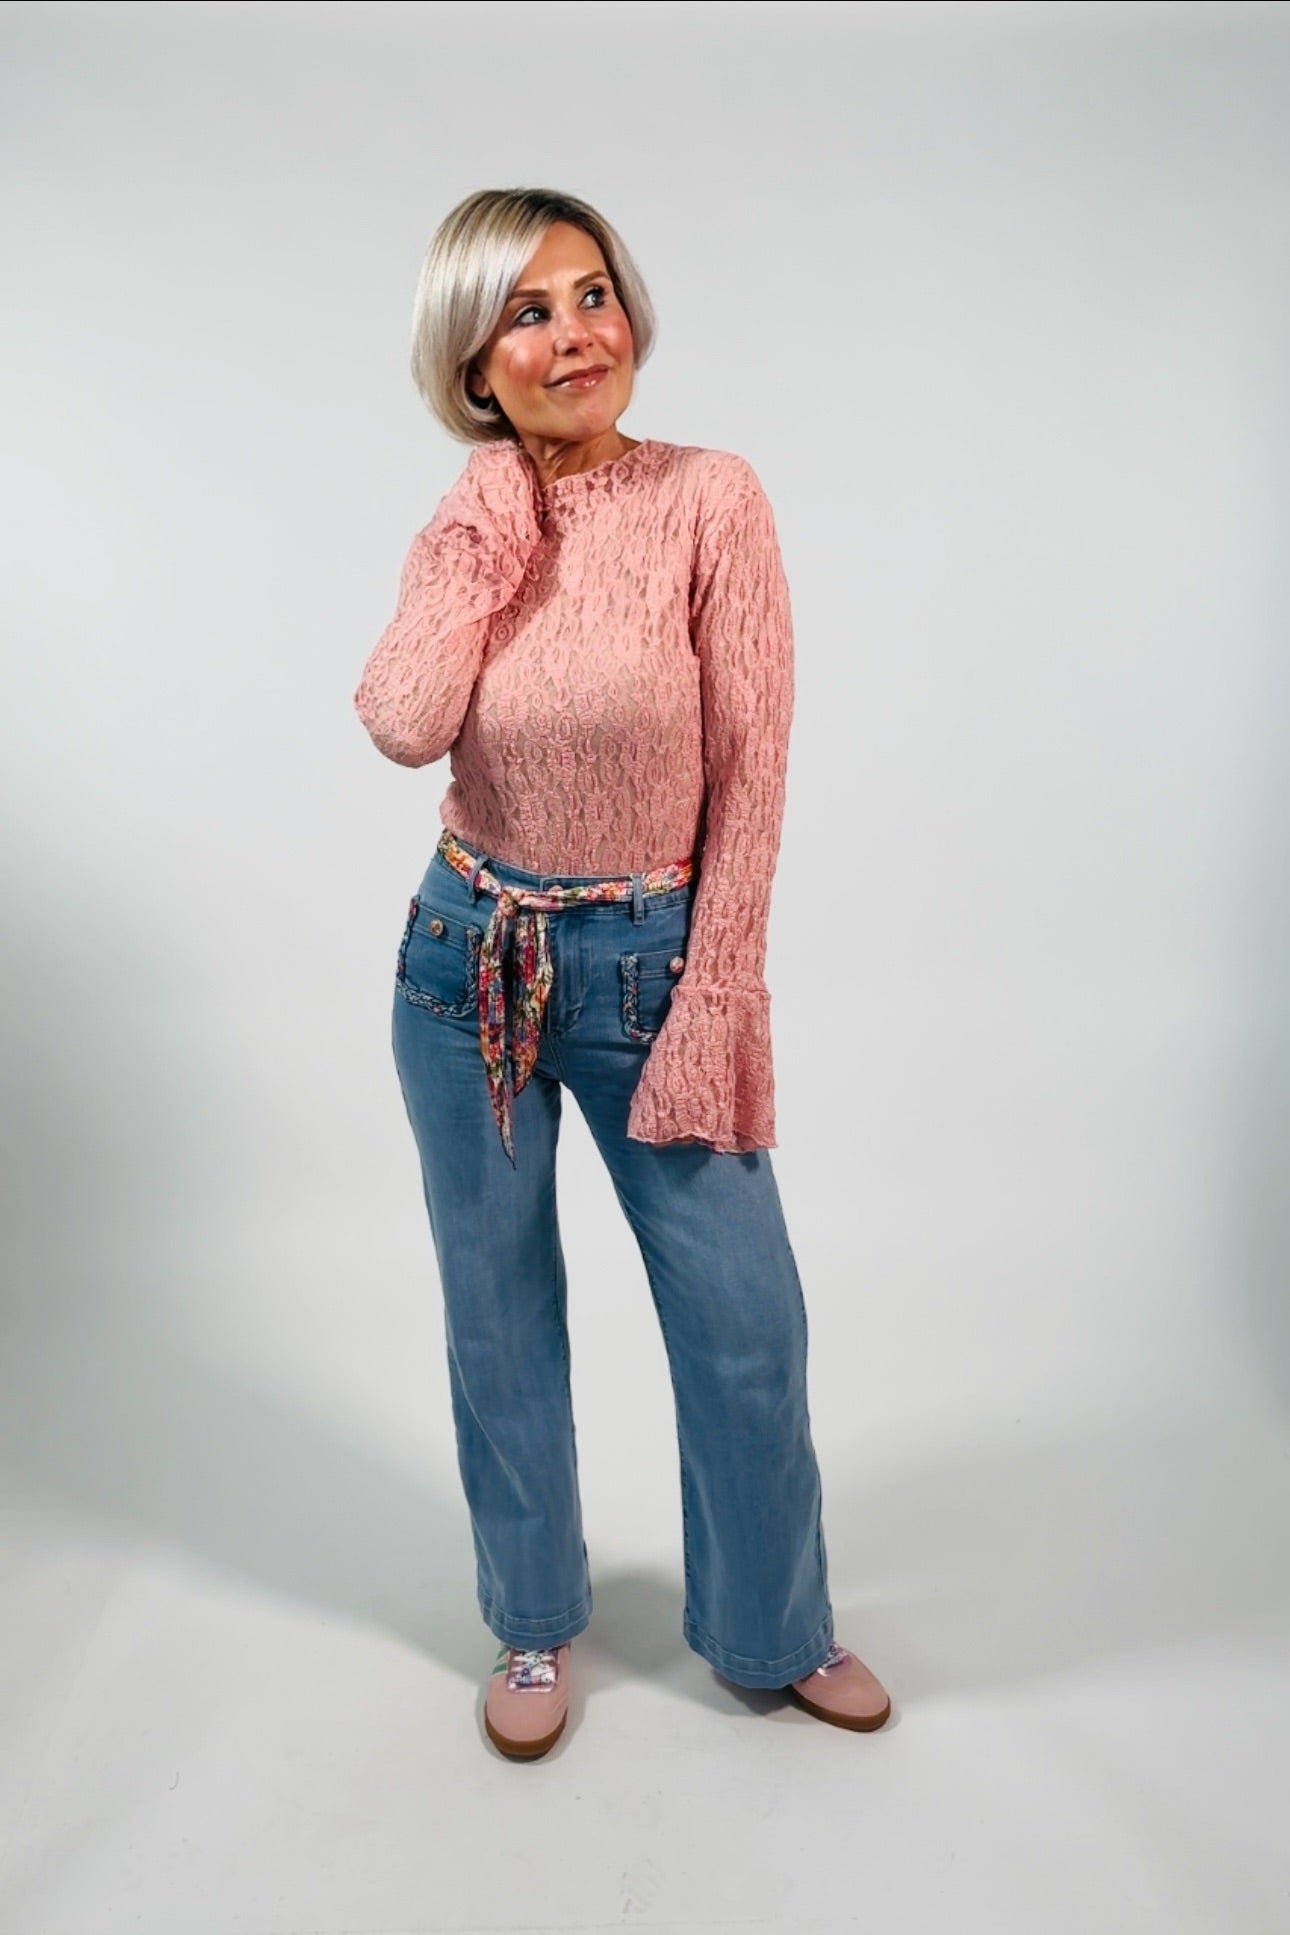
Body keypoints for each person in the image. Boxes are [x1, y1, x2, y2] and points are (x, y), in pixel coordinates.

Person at [353, 186, 891, 1759]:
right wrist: (489, 527)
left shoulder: (710, 498)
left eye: (591, 293)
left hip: (652, 967)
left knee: (744, 1324)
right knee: (497, 1314)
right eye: (525, 314)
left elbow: (752, 775)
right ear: (473, 363)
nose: (575, 333)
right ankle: (531, 1619)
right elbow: (401, 719)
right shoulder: (473, 523)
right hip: (465, 964)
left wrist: (715, 993)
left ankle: (772, 1627)